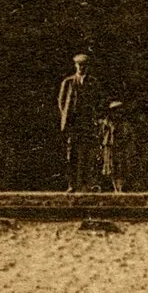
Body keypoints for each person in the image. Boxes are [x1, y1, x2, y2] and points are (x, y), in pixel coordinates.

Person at [56, 53, 99, 193]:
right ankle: (72, 185)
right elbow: (61, 102)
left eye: (84, 65)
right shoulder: (68, 82)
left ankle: (86, 185)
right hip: (73, 124)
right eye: (79, 65)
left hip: (87, 123)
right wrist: (67, 119)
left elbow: (98, 102)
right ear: (75, 66)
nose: (81, 68)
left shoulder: (93, 82)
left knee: (88, 155)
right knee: (72, 156)